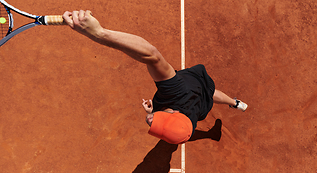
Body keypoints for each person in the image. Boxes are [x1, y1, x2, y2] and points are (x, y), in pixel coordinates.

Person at [62, 10, 248, 145]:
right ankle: (233, 102)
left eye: (156, 124)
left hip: (199, 107)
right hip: (193, 83)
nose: (150, 120)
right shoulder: (176, 93)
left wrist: (155, 112)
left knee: (210, 94)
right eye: (161, 120)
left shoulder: (185, 131)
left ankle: (235, 103)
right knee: (208, 90)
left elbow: (164, 122)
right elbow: (152, 56)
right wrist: (100, 34)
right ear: (176, 113)